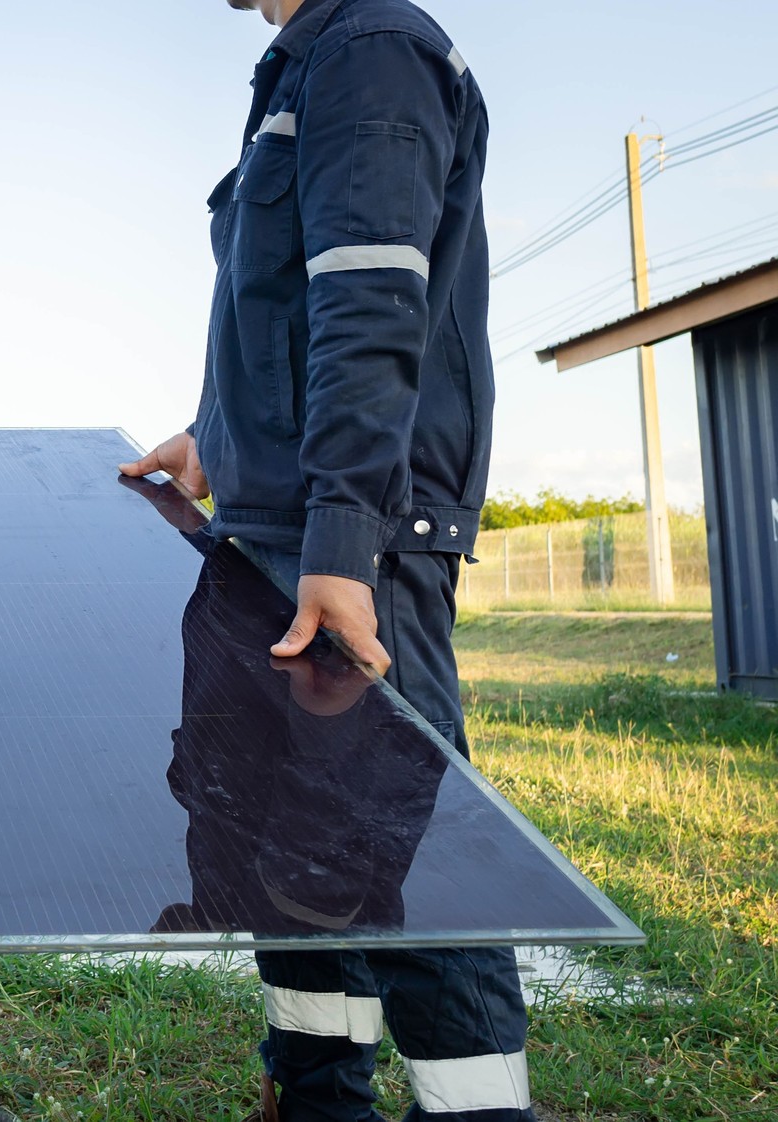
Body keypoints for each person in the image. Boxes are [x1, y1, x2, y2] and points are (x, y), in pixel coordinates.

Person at [120, 1, 531, 1120]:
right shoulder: (300, 67)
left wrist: (345, 537)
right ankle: (316, 1097)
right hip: (282, 534)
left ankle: (482, 1112)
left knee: (405, 854)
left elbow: (369, 298)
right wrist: (217, 435)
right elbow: (283, 314)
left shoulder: (369, 51)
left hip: (347, 552)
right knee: (281, 851)